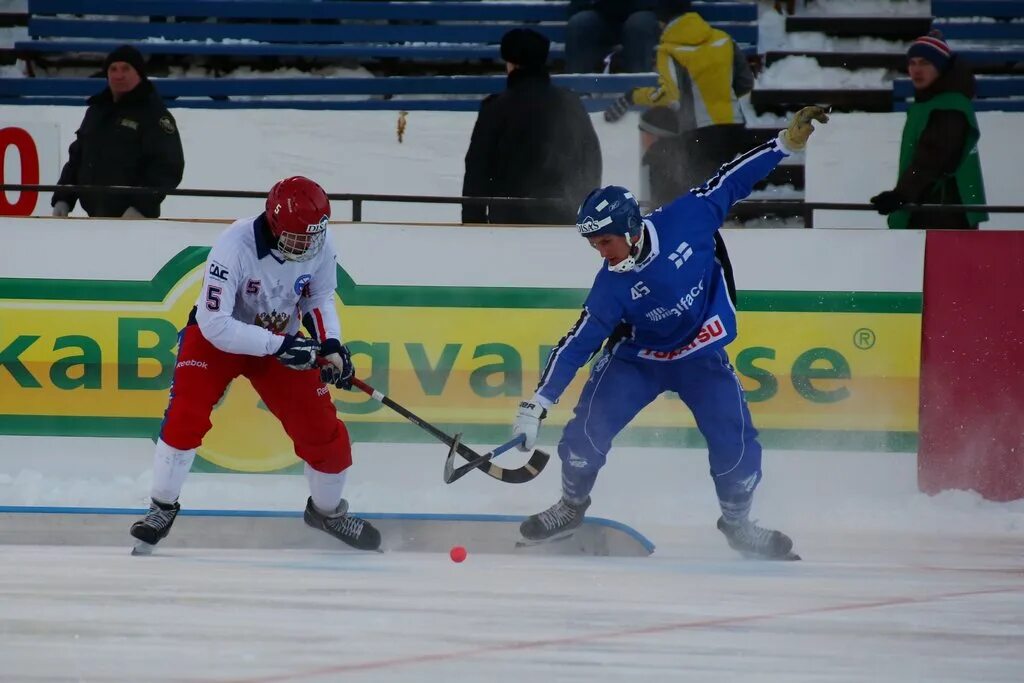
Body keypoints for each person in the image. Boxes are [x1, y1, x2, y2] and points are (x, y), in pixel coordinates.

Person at [510, 106, 830, 560]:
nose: (600, 253)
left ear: (629, 229)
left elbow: (730, 180)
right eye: (593, 245)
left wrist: (785, 144)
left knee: (736, 445)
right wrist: (537, 403)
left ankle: (739, 524)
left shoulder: (688, 219)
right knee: (582, 439)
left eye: (604, 241)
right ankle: (571, 505)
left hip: (700, 358)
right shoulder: (610, 285)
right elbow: (578, 342)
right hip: (636, 361)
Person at [129, 176, 381, 553]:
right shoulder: (234, 245)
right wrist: (281, 346)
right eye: (299, 238)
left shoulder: (318, 243)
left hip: (280, 338)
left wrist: (331, 346)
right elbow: (216, 324)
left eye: (315, 236)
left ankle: (327, 512)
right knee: (186, 413)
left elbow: (320, 296)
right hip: (220, 338)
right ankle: (161, 508)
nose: (308, 246)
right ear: (276, 226)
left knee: (324, 433)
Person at [603, 3, 755, 208]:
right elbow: (745, 82)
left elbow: (669, 96)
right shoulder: (723, 39)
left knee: (690, 192)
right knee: (711, 190)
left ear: (662, 22)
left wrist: (632, 97)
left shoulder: (669, 50)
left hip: (700, 132)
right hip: (734, 126)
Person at [462, 28, 601, 225]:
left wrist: (473, 224)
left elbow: (477, 172)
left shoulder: (496, 108)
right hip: (565, 221)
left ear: (511, 64)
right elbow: (590, 160)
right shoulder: (570, 103)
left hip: (510, 224)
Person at [51, 44, 184, 219]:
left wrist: (141, 207)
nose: (118, 75)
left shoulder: (154, 114)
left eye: (126, 68)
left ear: (139, 74)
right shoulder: (97, 110)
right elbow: (77, 158)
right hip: (93, 220)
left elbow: (168, 166)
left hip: (135, 222)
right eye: (113, 69)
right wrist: (63, 197)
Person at [870, 34, 987, 230]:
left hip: (943, 213)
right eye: (912, 63)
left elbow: (932, 157)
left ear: (940, 67)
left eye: (925, 63)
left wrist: (901, 195)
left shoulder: (950, 106)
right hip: (929, 207)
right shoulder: (929, 103)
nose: (916, 70)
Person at [566, 0, 660, 73]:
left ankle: (640, 90)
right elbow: (577, 5)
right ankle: (576, 90)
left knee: (640, 24)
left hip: (642, 11)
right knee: (579, 23)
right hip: (599, 13)